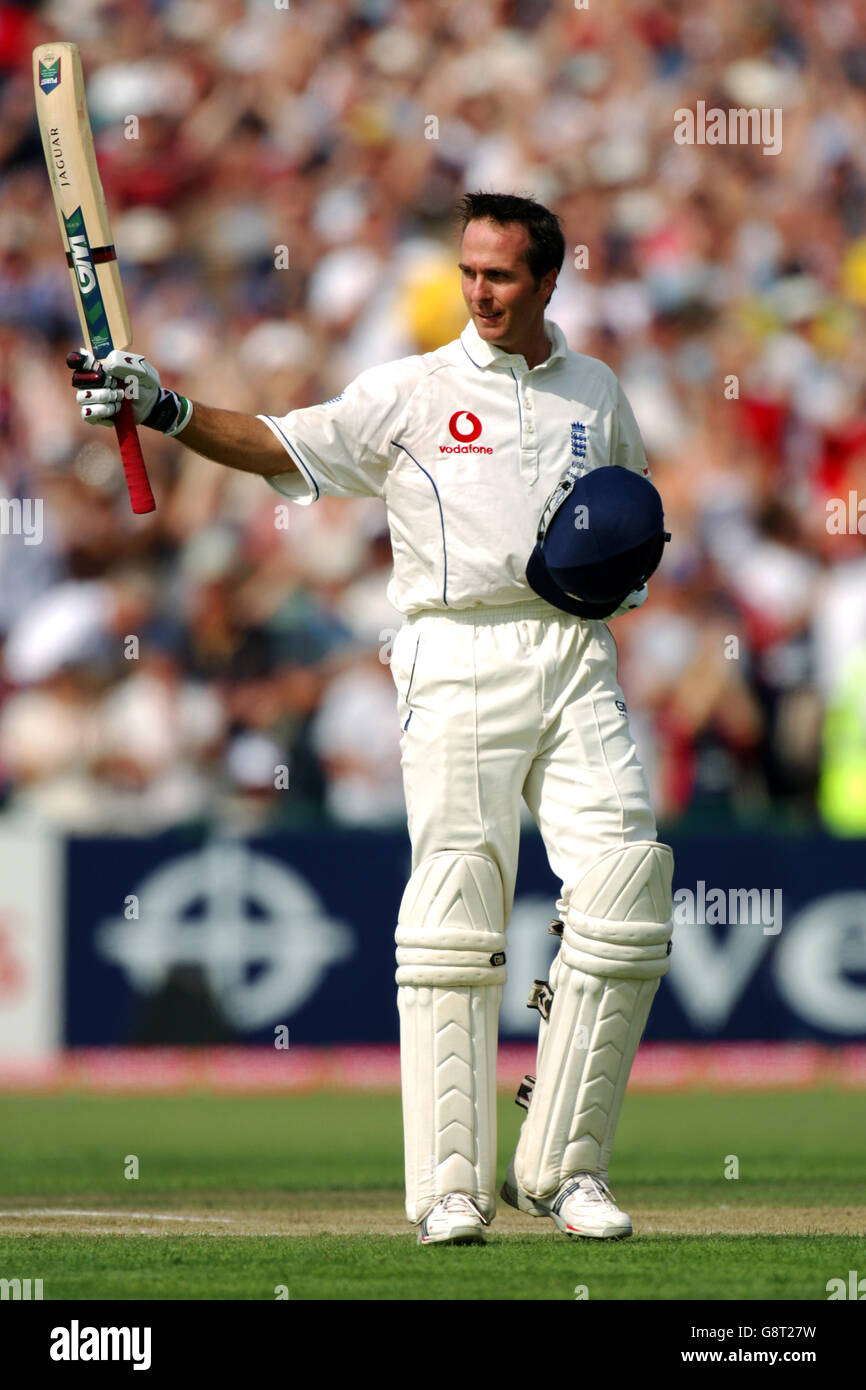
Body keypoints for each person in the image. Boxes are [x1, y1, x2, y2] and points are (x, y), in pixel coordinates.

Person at [69, 191, 674, 1245]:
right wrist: (164, 408)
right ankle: (448, 1186)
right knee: (452, 919)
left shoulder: (596, 391)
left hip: (574, 655)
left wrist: (621, 587)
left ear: (545, 280)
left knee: (625, 893)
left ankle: (564, 1167)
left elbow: (623, 522)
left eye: (498, 275)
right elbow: (276, 444)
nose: (476, 291)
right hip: (452, 650)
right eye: (467, 271)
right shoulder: (412, 389)